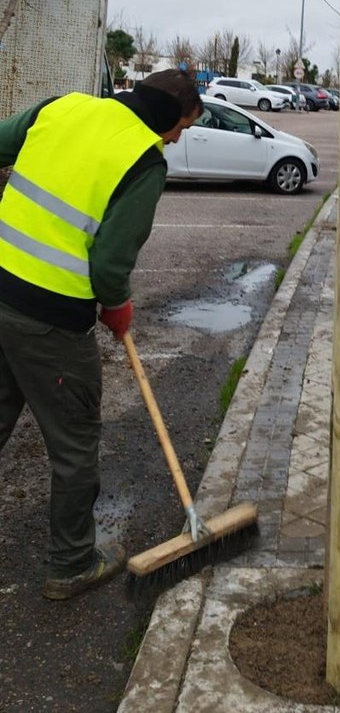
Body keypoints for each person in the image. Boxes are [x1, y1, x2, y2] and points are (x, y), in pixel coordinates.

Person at [0, 69, 202, 600]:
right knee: (73, 445)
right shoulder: (143, 161)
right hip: (51, 322)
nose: (178, 138)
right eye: (181, 126)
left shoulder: (64, 106)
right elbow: (111, 266)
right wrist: (117, 307)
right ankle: (70, 566)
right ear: (165, 118)